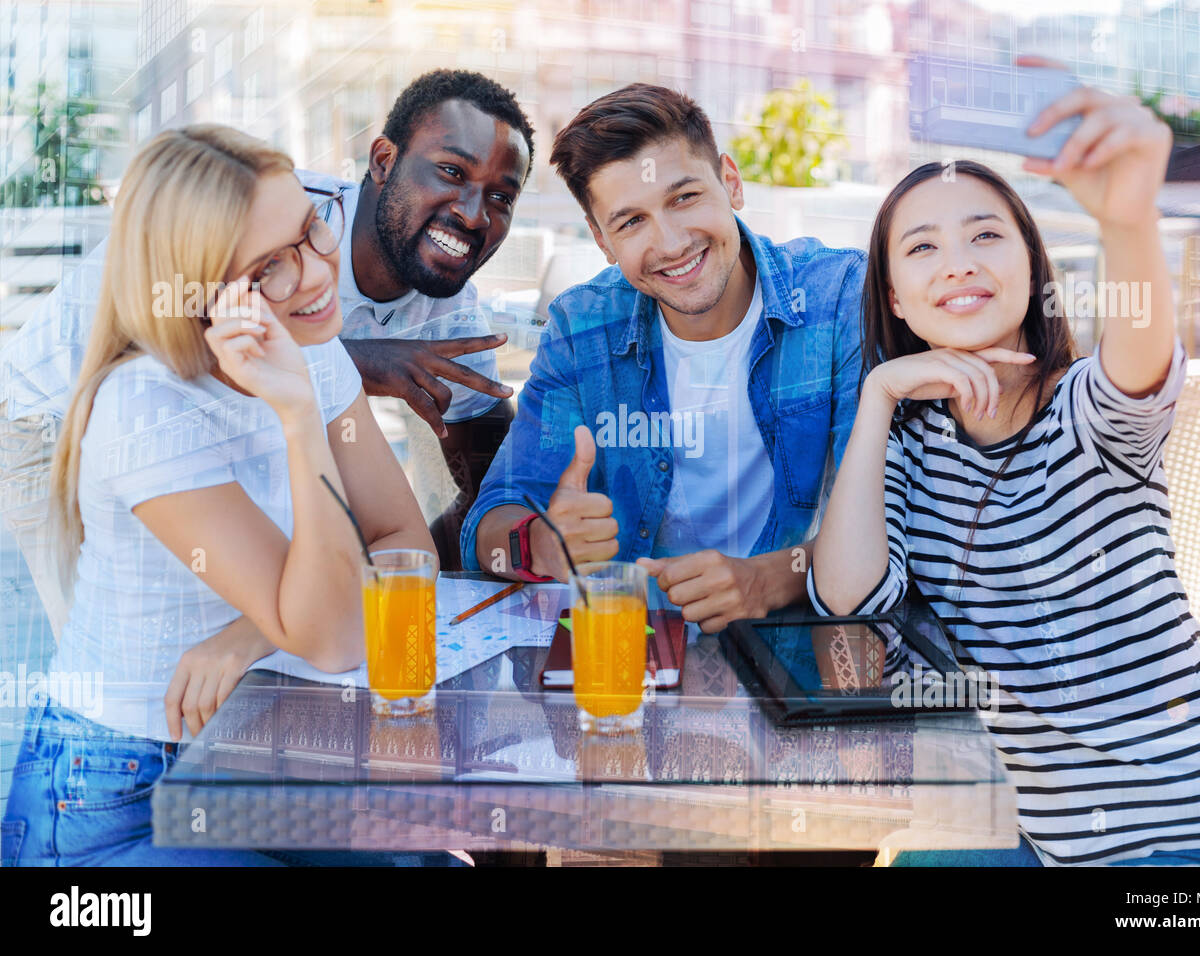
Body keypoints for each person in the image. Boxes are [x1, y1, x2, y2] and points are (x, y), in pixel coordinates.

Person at [810, 84, 1200, 865]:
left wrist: (1127, 220)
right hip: (1051, 848)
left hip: (1192, 850)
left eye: (986, 235)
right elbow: (847, 601)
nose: (957, 262)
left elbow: (1139, 367)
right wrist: (878, 394)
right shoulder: (910, 448)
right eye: (921, 246)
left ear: (1031, 264)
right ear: (895, 295)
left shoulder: (1086, 413)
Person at [0, 125, 445, 866]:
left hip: (251, 753)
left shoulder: (311, 346)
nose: (315, 274)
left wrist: (255, 633)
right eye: (268, 267)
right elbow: (335, 636)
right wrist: (300, 419)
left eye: (310, 231)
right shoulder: (146, 406)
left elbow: (404, 541)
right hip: (118, 800)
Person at [0, 70, 534, 642]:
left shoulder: (447, 306)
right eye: (452, 172)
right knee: (130, 640)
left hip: (200, 426)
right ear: (382, 160)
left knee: (265, 617)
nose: (476, 214)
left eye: (501, 196)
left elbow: (491, 477)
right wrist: (362, 359)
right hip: (51, 413)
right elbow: (177, 343)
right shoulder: (275, 216)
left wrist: (498, 531)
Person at [460, 84, 865, 633]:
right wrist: (541, 545)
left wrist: (765, 580)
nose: (671, 243)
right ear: (603, 242)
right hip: (631, 654)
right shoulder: (584, 328)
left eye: (684, 198)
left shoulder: (838, 299)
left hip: (794, 655)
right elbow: (491, 522)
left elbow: (888, 524)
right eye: (631, 222)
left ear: (731, 182)